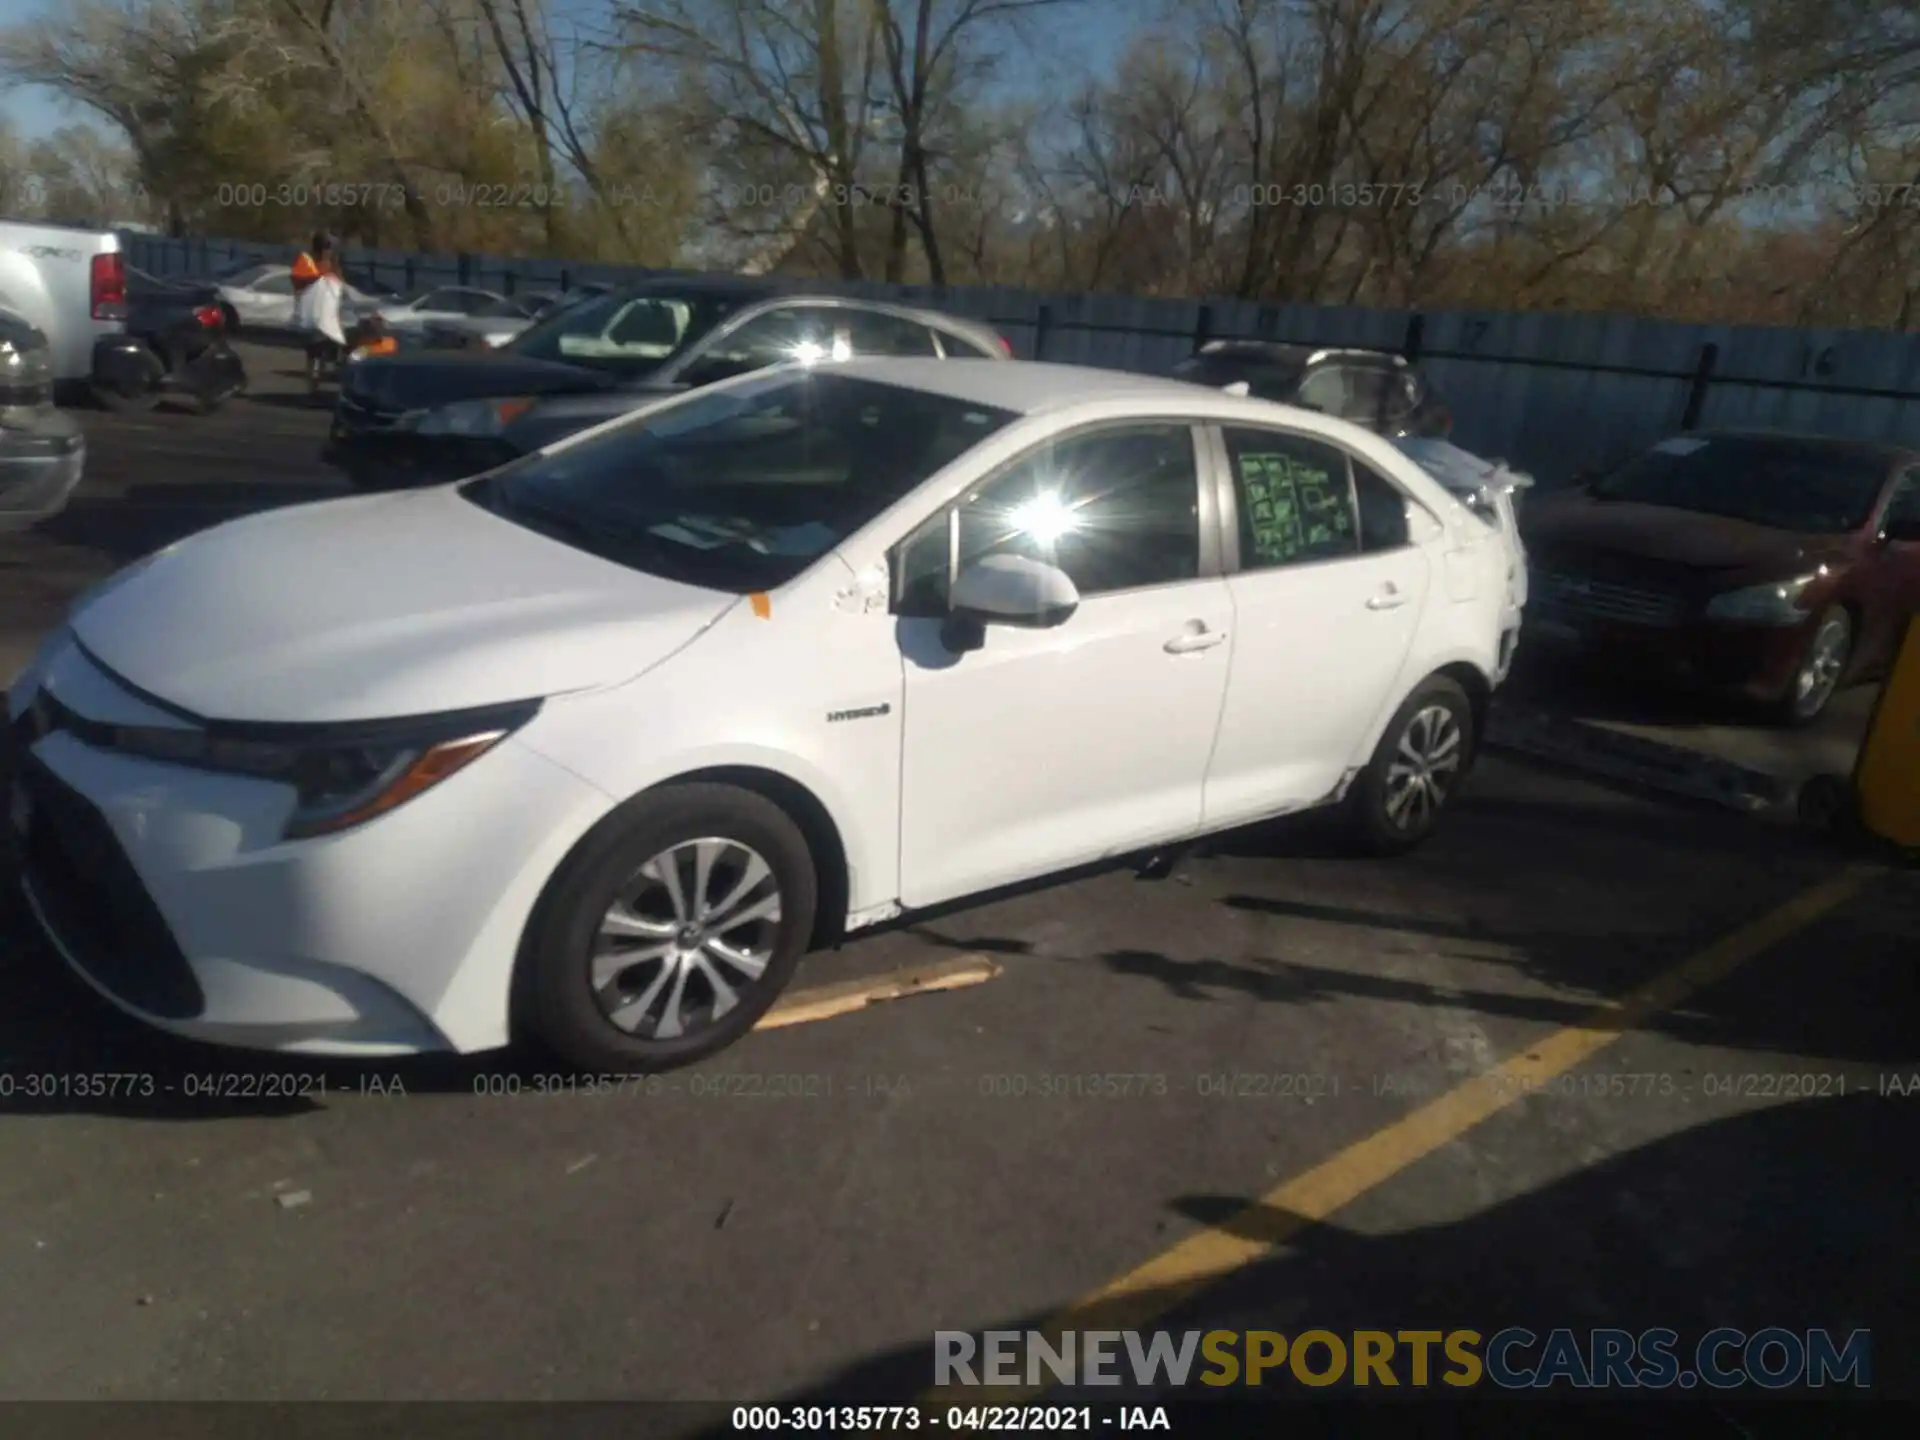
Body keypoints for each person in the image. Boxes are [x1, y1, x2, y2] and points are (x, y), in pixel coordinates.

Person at [293, 234, 348, 393]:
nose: (327, 253)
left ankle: (316, 379)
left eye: (328, 249)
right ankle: (313, 384)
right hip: (313, 319)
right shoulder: (310, 265)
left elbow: (339, 288)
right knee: (314, 352)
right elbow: (300, 284)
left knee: (322, 353)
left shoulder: (333, 268)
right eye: (325, 249)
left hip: (328, 319)